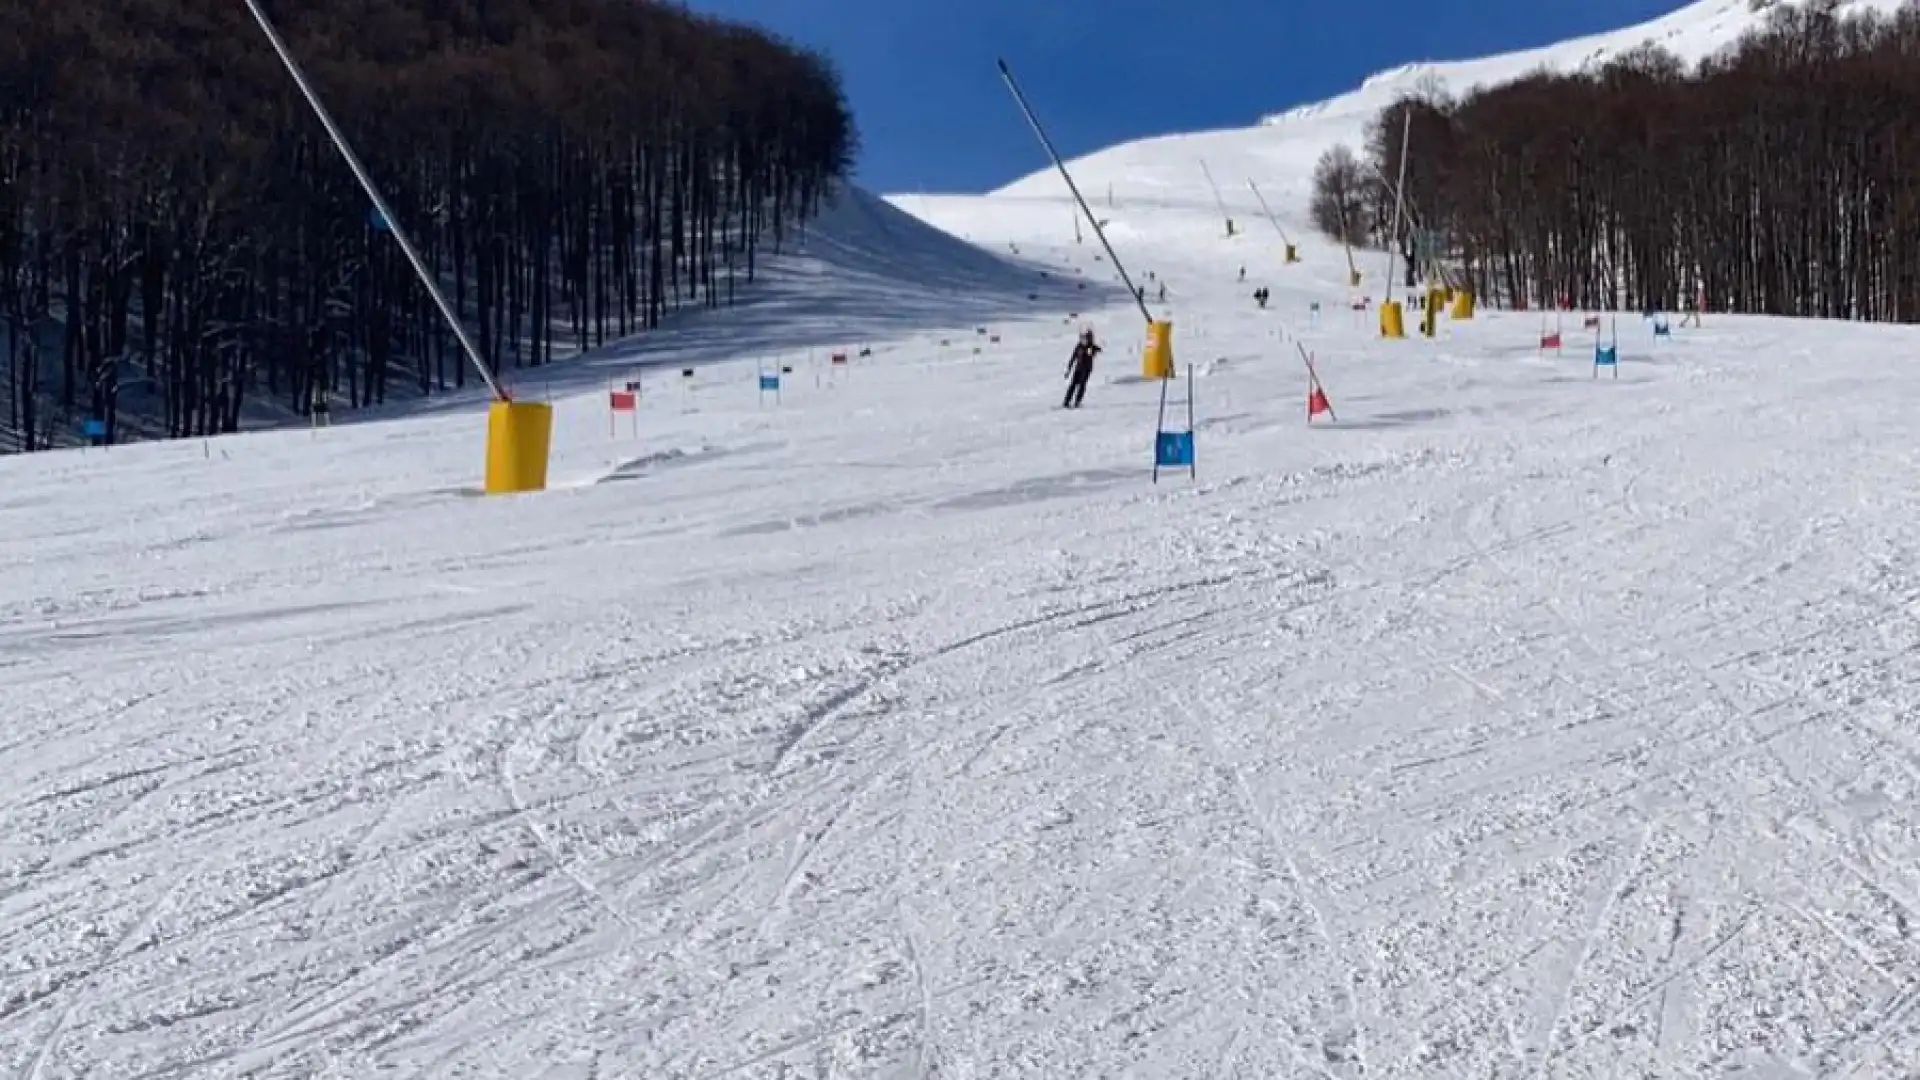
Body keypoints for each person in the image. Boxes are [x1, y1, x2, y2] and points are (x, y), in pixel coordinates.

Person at [1063, 329, 1099, 409]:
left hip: (1086, 369)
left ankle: (1077, 402)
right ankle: (1066, 401)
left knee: (1082, 385)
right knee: (1073, 385)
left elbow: (1093, 352)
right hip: (1078, 368)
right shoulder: (1079, 346)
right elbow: (1073, 357)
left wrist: (1090, 350)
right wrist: (1069, 369)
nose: (1084, 339)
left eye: (1086, 337)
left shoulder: (1090, 347)